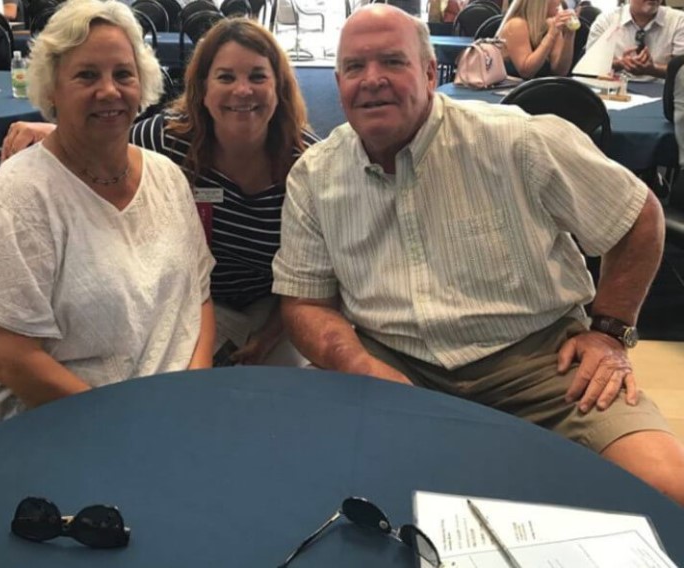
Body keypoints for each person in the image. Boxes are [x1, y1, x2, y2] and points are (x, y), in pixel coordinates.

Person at [272, 4, 684, 505]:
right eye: (355, 67)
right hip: (390, 361)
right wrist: (356, 362)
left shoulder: (517, 140)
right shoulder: (315, 175)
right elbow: (305, 303)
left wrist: (610, 332)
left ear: (429, 73)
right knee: (302, 483)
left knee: (665, 487)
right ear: (337, 83)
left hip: (540, 363)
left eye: (393, 62)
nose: (372, 79)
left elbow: (638, 216)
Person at [0, 0, 215, 460]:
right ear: (52, 90)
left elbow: (198, 296)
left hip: (167, 414)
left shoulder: (166, 177)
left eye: (123, 74)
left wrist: (190, 397)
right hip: (58, 422)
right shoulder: (20, 200)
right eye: (87, 75)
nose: (109, 90)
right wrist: (126, 428)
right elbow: (8, 355)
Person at [2, 18, 318, 366]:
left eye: (258, 77)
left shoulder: (306, 164)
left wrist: (266, 339)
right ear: (203, 87)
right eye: (226, 77)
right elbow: (108, 138)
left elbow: (315, 277)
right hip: (188, 301)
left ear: (279, 87)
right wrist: (55, 131)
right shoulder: (167, 141)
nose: (242, 90)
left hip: (276, 308)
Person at [586, 0, 684, 80]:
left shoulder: (679, 21)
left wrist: (654, 69)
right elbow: (590, 63)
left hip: (663, 89)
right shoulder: (606, 21)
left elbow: (682, 70)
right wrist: (619, 63)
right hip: (613, 87)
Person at [497, 0, 577, 79]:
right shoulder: (516, 24)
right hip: (516, 85)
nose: (560, 1)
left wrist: (569, 36)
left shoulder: (551, 25)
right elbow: (526, 72)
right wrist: (551, 36)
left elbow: (560, 72)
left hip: (543, 85)